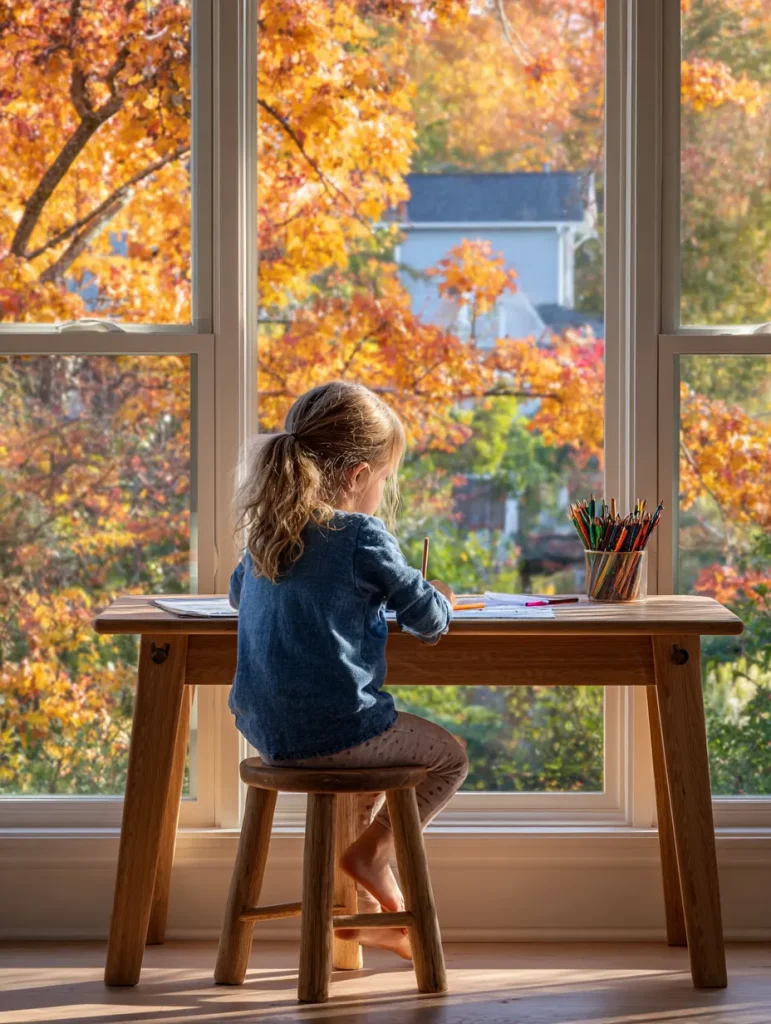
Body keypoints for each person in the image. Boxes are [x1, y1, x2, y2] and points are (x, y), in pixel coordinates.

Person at [229, 380, 468, 959]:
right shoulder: (361, 534)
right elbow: (431, 621)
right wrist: (440, 595)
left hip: (266, 736)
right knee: (450, 757)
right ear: (359, 475)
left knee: (362, 776)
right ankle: (373, 855)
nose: (381, 490)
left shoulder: (267, 533)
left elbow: (241, 596)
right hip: (336, 732)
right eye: (383, 478)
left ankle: (368, 918)